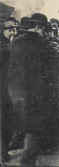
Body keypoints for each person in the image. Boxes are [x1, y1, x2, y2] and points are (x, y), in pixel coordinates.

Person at [6, 13, 59, 166]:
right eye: (43, 29)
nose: (44, 32)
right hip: (34, 92)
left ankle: (18, 157)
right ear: (39, 28)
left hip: (15, 90)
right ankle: (27, 162)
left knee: (24, 125)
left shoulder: (17, 41)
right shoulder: (41, 42)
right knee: (35, 127)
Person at [0, 5, 19, 162]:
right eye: (10, 30)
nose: (13, 33)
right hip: (4, 91)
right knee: (5, 122)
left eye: (14, 30)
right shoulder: (7, 48)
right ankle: (3, 153)